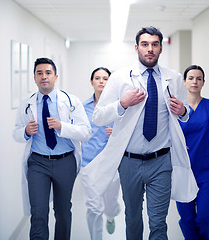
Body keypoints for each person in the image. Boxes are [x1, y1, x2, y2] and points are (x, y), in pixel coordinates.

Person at [81, 26, 198, 240]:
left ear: (161, 48)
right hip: (129, 162)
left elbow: (186, 113)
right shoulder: (119, 78)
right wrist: (122, 104)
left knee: (158, 223)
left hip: (161, 161)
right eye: (145, 44)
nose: (150, 49)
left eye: (154, 44)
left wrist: (182, 111)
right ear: (137, 48)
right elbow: (98, 116)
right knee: (133, 218)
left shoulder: (173, 78)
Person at [12, 57, 91, 240]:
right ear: (34, 78)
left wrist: (62, 127)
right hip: (38, 163)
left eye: (48, 73)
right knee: (38, 212)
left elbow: (86, 132)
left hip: (65, 162)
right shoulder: (26, 104)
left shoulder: (71, 101)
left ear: (56, 76)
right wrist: (25, 131)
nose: (44, 77)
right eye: (39, 73)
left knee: (62, 211)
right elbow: (15, 133)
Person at [176, 65, 209, 240]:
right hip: (183, 169)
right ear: (184, 82)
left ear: (203, 82)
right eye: (191, 78)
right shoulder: (176, 107)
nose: (195, 82)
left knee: (205, 217)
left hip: (206, 168)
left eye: (199, 78)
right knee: (187, 218)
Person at [81, 67, 121, 240]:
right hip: (89, 163)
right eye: (97, 78)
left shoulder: (118, 106)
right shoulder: (83, 108)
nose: (101, 81)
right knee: (94, 207)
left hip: (112, 162)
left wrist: (116, 132)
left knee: (110, 205)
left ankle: (111, 216)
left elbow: (128, 131)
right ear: (92, 82)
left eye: (105, 78)